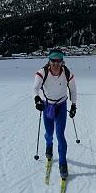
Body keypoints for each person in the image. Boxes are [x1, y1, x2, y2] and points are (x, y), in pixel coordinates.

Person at [33, 49, 77, 178]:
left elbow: (73, 90)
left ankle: (62, 163)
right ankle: (49, 145)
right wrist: (37, 99)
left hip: (61, 106)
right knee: (49, 133)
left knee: (60, 135)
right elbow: (35, 88)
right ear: (49, 60)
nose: (56, 63)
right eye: (53, 60)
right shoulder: (42, 73)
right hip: (48, 106)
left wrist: (74, 105)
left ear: (62, 61)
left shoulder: (67, 73)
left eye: (59, 61)